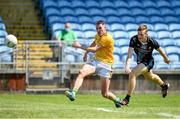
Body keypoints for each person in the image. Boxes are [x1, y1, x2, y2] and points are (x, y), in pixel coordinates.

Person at [65, 20, 122, 108]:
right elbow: (94, 43)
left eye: (100, 28)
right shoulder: (97, 35)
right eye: (97, 29)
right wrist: (86, 53)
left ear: (105, 27)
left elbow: (95, 49)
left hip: (106, 65)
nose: (98, 30)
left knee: (105, 93)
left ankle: (117, 100)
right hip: (96, 61)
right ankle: (73, 93)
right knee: (81, 72)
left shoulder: (107, 38)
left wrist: (80, 46)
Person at [121, 24, 170, 106]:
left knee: (132, 74)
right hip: (140, 62)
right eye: (138, 34)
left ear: (146, 34)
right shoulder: (134, 39)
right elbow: (129, 55)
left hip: (149, 61)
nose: (139, 36)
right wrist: (127, 66)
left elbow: (160, 50)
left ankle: (127, 98)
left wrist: (166, 59)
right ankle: (164, 85)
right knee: (150, 77)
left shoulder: (151, 41)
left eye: (141, 34)